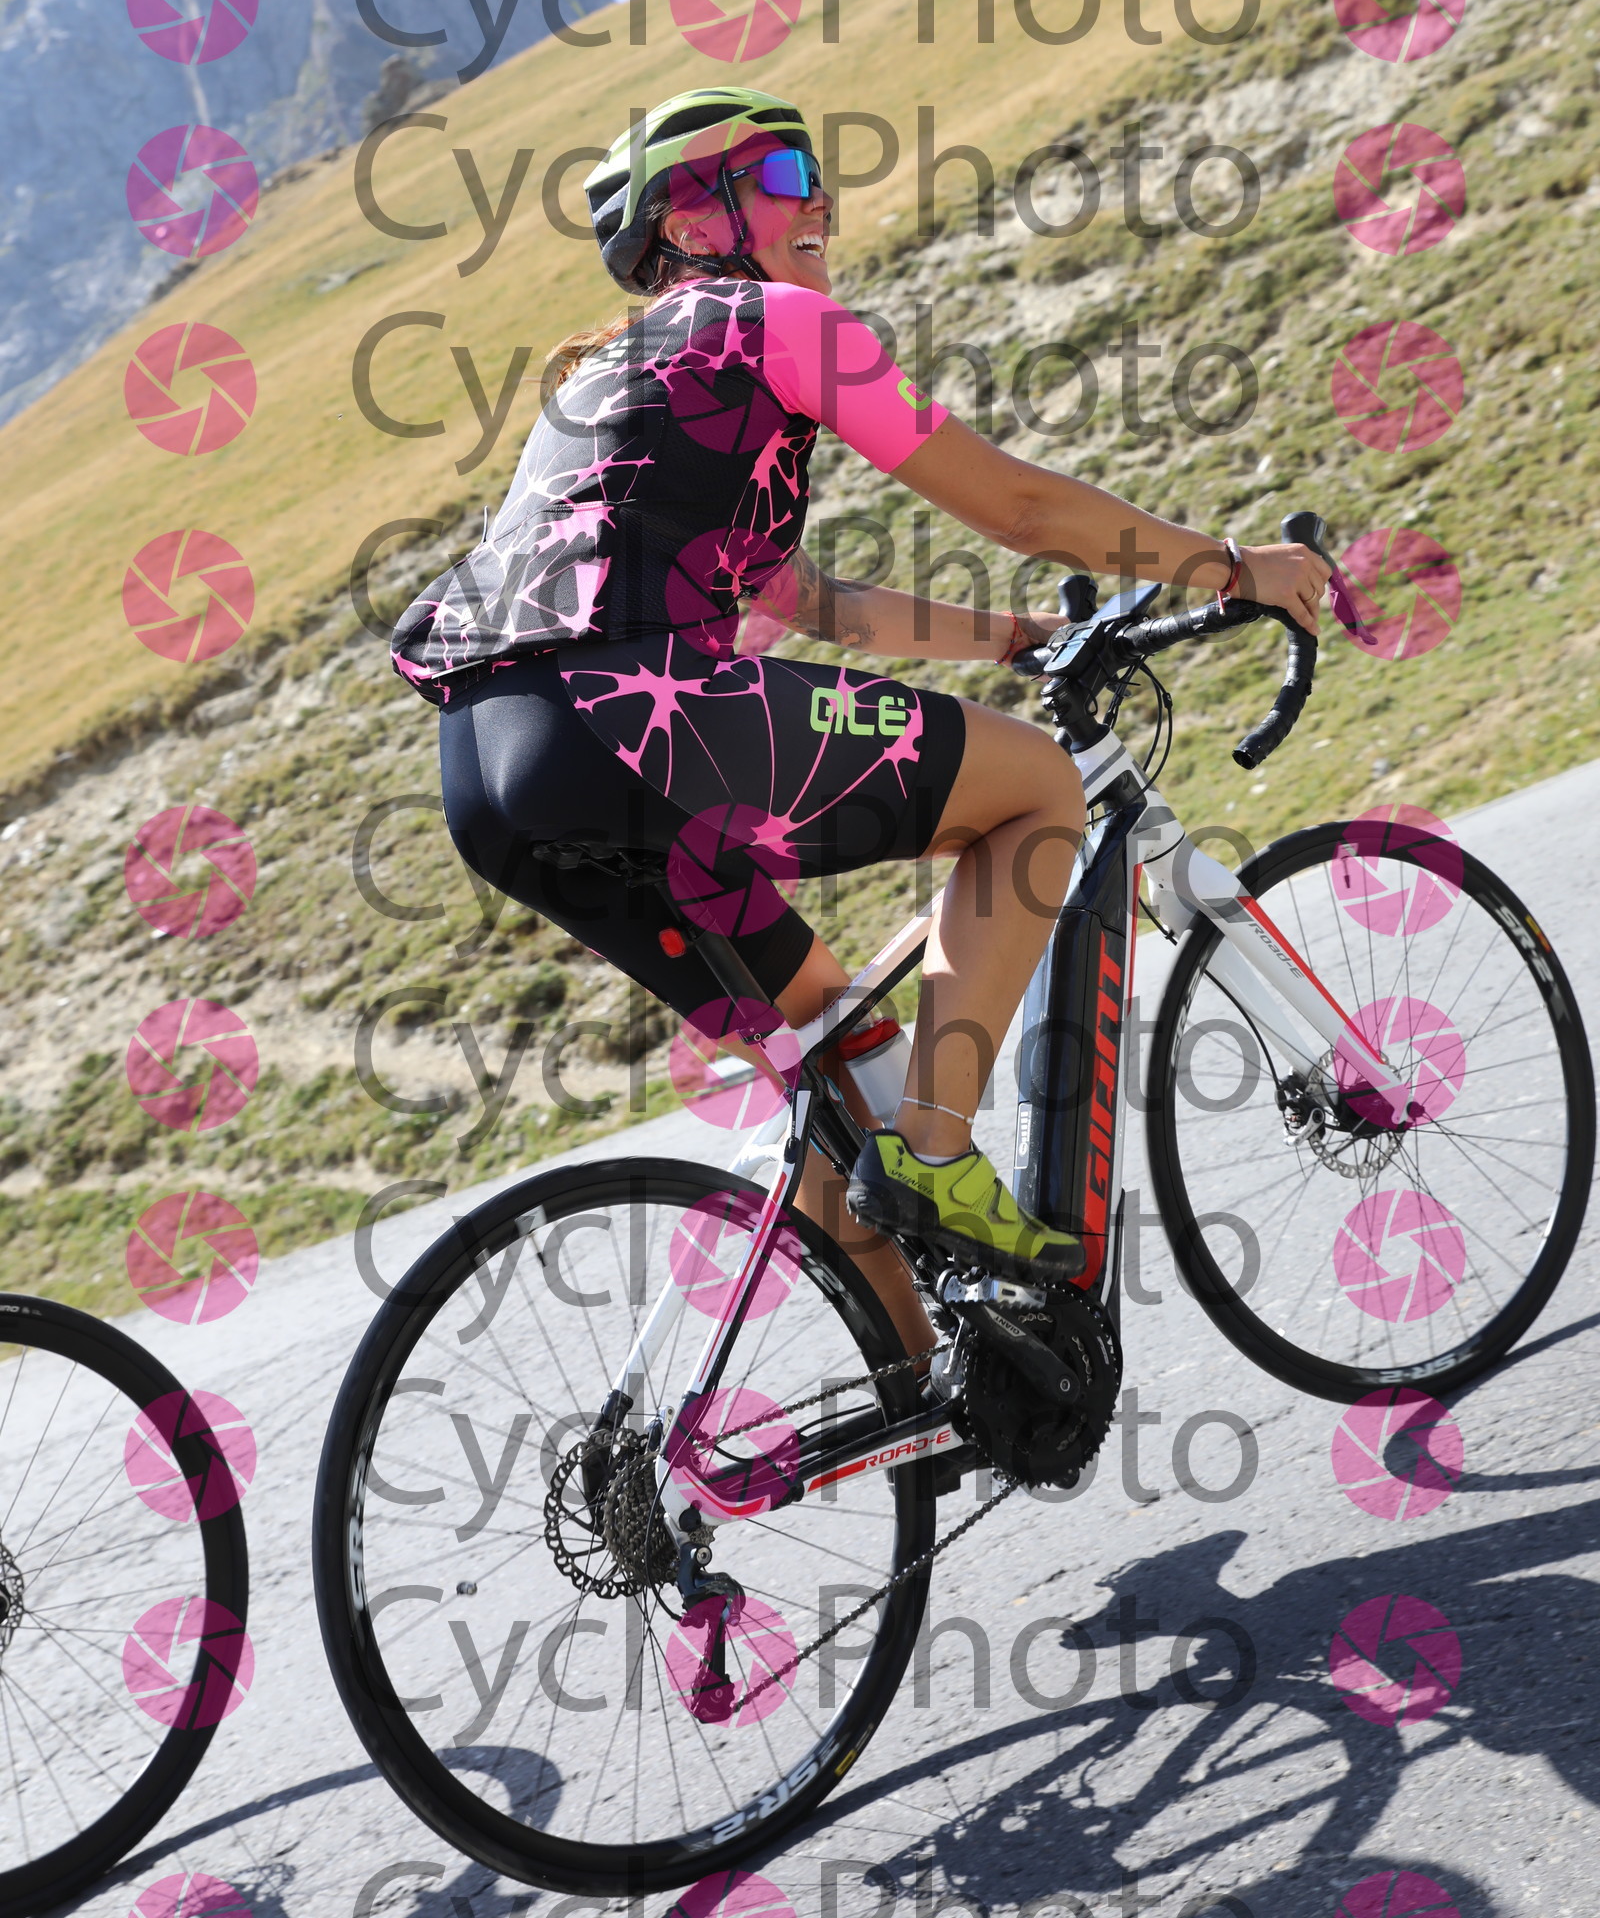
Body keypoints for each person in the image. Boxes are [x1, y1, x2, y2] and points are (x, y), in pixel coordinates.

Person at [391, 85, 1329, 1357]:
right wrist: (1230, 567)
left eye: (815, 170)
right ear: (693, 222)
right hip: (629, 713)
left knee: (831, 1056)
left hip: (494, 767)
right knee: (1036, 789)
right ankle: (938, 1154)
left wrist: (1011, 638)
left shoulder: (613, 378)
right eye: (780, 175)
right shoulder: (776, 320)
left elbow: (809, 601)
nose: (819, 197)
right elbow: (1016, 507)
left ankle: (930, 1401)